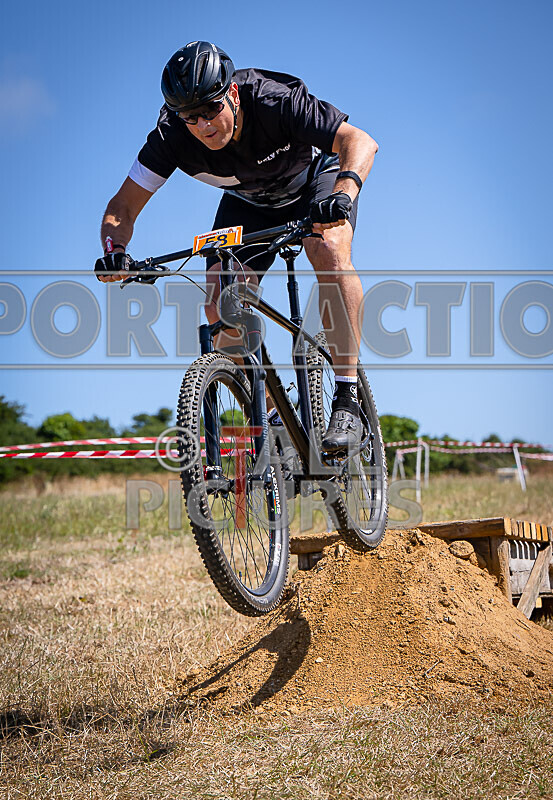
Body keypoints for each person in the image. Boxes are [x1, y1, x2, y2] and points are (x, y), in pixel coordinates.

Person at [95, 41, 379, 451]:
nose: (203, 125)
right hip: (249, 204)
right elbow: (122, 207)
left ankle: (347, 399)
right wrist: (115, 251)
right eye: (190, 117)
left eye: (211, 110)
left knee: (328, 249)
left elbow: (360, 141)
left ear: (231, 93)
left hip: (313, 185)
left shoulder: (274, 101)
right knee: (219, 306)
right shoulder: (172, 136)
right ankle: (276, 419)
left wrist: (344, 193)